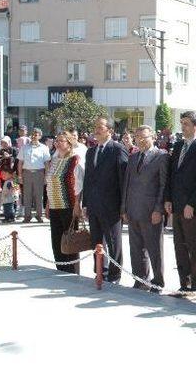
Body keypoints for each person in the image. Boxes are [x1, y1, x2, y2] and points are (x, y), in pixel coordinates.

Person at [164, 111, 196, 295]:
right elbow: (171, 175)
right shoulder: (178, 146)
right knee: (180, 246)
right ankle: (185, 284)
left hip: (193, 208)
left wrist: (192, 203)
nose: (183, 127)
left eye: (186, 124)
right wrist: (167, 198)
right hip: (176, 205)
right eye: (182, 123)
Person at [121, 125, 169, 291]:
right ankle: (140, 279)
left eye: (144, 137)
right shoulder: (133, 157)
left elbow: (163, 185)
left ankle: (158, 281)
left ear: (153, 137)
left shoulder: (161, 156)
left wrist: (159, 209)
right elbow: (127, 184)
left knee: (154, 249)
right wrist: (124, 208)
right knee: (136, 249)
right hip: (133, 209)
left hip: (151, 212)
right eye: (137, 137)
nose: (140, 140)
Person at [83, 116, 129, 283]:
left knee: (113, 242)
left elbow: (124, 180)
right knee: (97, 241)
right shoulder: (91, 151)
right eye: (95, 126)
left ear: (110, 130)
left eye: (100, 127)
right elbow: (88, 179)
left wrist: (124, 206)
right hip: (94, 205)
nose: (96, 129)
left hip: (112, 206)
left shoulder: (117, 149)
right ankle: (101, 270)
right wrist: (85, 204)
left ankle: (115, 275)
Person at [44, 132, 84, 273]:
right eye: (57, 141)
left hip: (69, 206)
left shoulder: (74, 160)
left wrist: (78, 205)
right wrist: (48, 204)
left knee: (70, 242)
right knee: (56, 241)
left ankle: (73, 271)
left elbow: (79, 184)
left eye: (62, 141)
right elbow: (49, 184)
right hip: (55, 205)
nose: (58, 143)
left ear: (69, 143)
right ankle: (60, 270)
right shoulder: (53, 161)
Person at [18, 128, 51, 223]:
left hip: (39, 173)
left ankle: (39, 215)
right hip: (27, 173)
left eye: (36, 135)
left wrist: (46, 177)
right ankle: (27, 216)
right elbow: (20, 162)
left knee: (38, 195)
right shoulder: (24, 147)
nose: (34, 136)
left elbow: (47, 164)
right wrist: (20, 176)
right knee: (27, 195)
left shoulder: (44, 148)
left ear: (40, 136)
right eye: (32, 134)